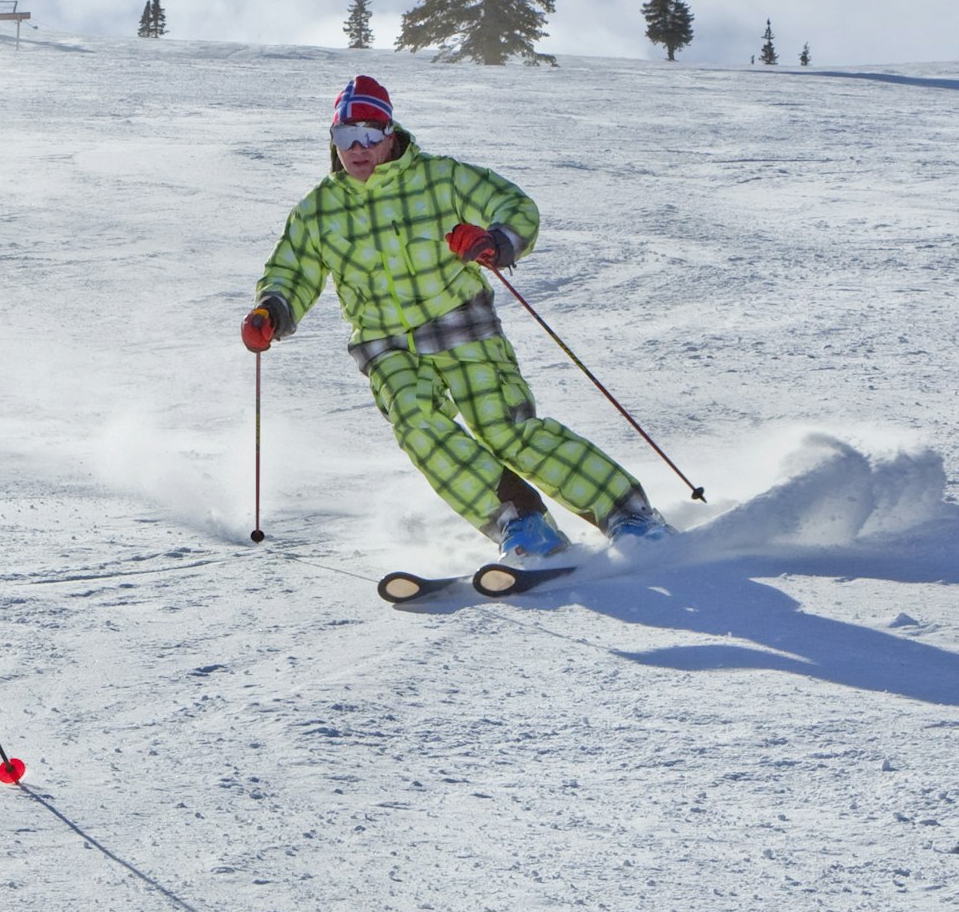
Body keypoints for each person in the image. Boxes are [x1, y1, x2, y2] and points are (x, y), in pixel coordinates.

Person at [239, 73, 669, 565]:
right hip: (384, 344)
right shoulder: (318, 211)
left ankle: (628, 513)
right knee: (418, 426)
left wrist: (494, 241)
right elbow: (292, 271)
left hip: (460, 323)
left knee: (504, 429)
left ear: (390, 133)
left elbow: (515, 206)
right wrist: (271, 309)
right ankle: (522, 524)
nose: (356, 148)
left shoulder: (440, 178)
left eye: (369, 134)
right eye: (344, 137)